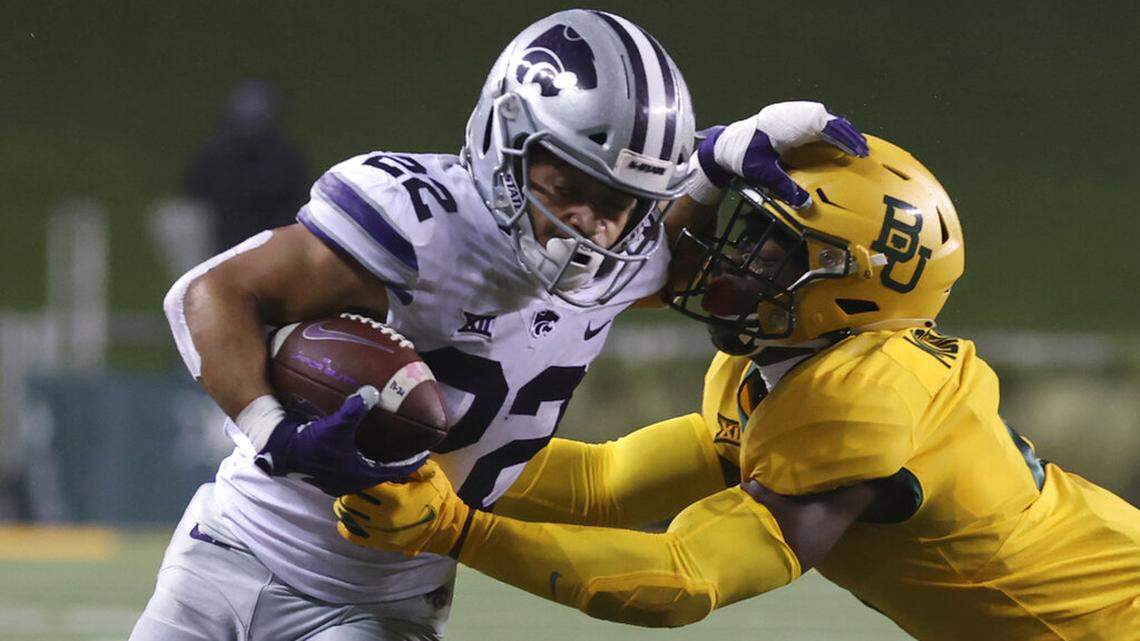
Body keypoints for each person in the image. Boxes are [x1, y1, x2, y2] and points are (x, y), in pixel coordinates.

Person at [131, 9, 866, 641]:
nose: (593, 225)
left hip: (387, 600)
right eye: (567, 186)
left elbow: (674, 214)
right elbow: (207, 293)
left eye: (618, 201)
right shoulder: (417, 228)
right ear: (504, 143)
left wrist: (727, 149)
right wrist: (275, 432)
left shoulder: (627, 256)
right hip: (232, 546)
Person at [336, 136, 1140, 639]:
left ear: (850, 289)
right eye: (747, 234)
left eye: (773, 251)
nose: (736, 260)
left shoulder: (859, 402)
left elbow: (680, 579)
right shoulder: (790, 364)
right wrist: (436, 457)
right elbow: (607, 481)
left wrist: (457, 531)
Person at [187, 78, 309, 254]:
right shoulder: (217, 150)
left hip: (271, 233)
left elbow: (297, 195)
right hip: (227, 233)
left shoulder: (284, 153)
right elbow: (195, 189)